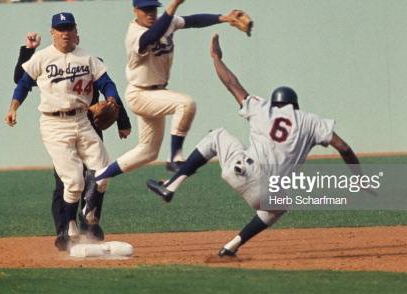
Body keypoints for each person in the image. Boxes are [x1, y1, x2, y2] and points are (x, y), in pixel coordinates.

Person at [145, 35, 361, 257]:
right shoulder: (310, 120)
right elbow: (343, 147)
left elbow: (231, 83)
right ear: (295, 105)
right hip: (268, 192)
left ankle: (171, 185)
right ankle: (232, 246)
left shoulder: (262, 107)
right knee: (281, 203)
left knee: (217, 135)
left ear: (275, 102)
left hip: (243, 172)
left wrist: (216, 58)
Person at [89, 0, 249, 210]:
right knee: (186, 103)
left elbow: (192, 20)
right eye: (145, 9)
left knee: (147, 151)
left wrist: (223, 18)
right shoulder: (134, 34)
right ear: (135, 10)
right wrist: (174, 3)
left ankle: (99, 175)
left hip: (156, 93)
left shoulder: (168, 22)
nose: (150, 13)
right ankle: (175, 156)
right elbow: (151, 36)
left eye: (153, 8)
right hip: (140, 93)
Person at [5, 12, 130, 250]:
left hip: (84, 120)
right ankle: (68, 226)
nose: (65, 32)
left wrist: (113, 101)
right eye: (60, 29)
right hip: (55, 124)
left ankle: (90, 217)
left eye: (69, 28)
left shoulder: (88, 58)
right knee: (71, 181)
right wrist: (13, 108)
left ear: (76, 32)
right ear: (52, 33)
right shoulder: (42, 58)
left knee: (103, 172)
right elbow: (21, 82)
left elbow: (108, 84)